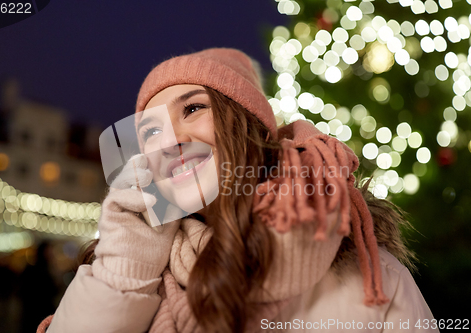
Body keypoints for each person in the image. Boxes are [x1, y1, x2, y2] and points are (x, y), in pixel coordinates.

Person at [37, 48, 437, 333]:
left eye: (193, 109)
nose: (169, 141)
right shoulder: (129, 262)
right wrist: (125, 269)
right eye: (151, 131)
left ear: (246, 127)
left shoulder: (369, 273)